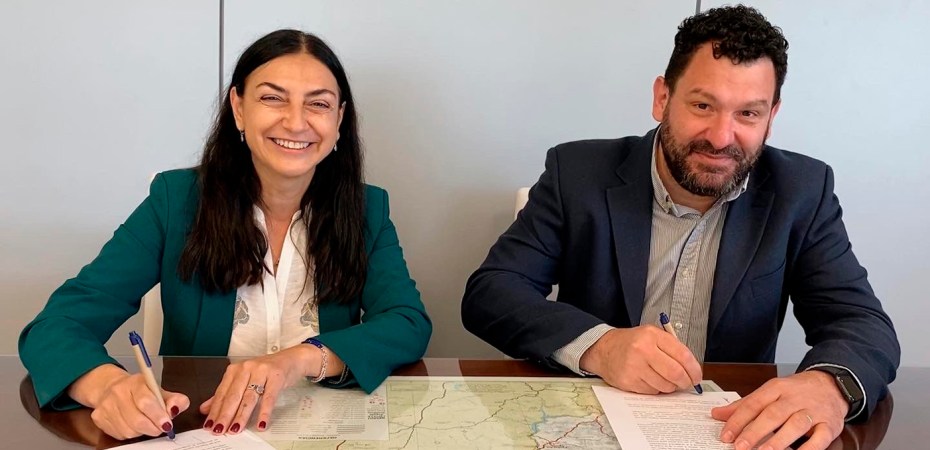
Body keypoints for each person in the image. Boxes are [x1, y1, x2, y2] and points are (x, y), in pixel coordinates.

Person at [461, 5, 898, 450]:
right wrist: (600, 346)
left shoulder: (802, 191)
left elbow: (861, 321)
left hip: (729, 431)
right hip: (587, 423)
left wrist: (829, 386)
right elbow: (492, 292)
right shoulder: (577, 172)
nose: (721, 137)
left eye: (748, 114)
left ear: (771, 117)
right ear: (662, 98)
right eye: (703, 105)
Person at [19, 29, 432, 440]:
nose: (295, 122)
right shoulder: (175, 201)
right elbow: (56, 326)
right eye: (272, 98)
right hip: (203, 431)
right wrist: (109, 386)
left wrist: (300, 359)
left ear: (338, 120)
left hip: (324, 433)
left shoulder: (366, 209)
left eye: (318, 104)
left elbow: (406, 322)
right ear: (238, 108)